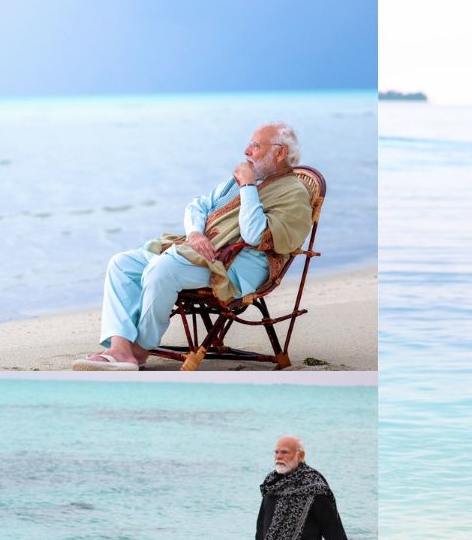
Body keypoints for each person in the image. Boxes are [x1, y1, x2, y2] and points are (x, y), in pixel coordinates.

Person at [73, 122, 314, 371]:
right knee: (121, 263)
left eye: (255, 145)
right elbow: (198, 206)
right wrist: (196, 234)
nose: (246, 151)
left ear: (280, 152)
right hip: (205, 254)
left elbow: (255, 235)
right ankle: (120, 347)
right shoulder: (244, 180)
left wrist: (248, 186)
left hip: (237, 269)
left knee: (162, 268)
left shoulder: (292, 193)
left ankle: (139, 349)